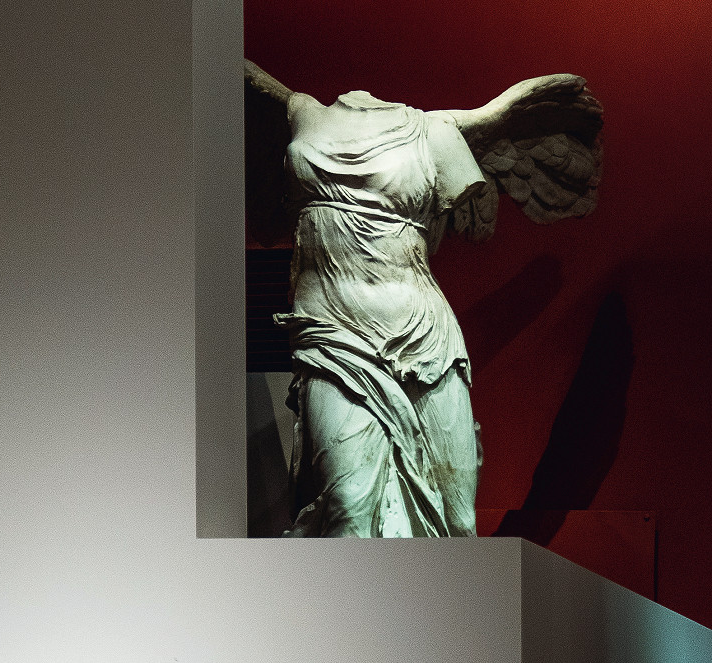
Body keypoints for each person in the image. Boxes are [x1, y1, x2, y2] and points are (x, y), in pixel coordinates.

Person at [244, 60, 603, 538]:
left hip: (424, 333)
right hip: (334, 330)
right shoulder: (300, 115)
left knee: (458, 520)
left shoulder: (434, 130)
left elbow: (472, 201)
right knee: (348, 508)